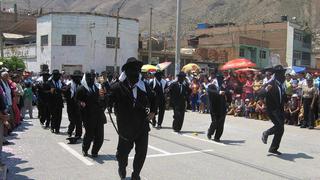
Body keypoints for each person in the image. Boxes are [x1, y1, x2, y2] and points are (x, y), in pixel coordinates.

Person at [108, 57, 156, 180]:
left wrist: (153, 112)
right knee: (122, 154)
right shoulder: (117, 87)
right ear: (126, 72)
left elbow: (154, 99)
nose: (135, 72)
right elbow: (107, 101)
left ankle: (136, 174)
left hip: (142, 126)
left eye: (137, 70)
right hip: (125, 127)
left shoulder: (144, 86)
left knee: (141, 152)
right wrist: (103, 98)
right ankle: (122, 167)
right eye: (132, 70)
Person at [76, 71, 107, 157]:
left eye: (92, 77)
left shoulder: (98, 87)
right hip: (88, 116)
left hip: (99, 116)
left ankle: (95, 151)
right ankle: (85, 149)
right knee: (89, 136)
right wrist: (81, 104)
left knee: (100, 137)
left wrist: (103, 98)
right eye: (89, 77)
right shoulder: (81, 89)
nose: (91, 79)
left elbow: (104, 98)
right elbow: (77, 101)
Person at [261, 65, 287, 155]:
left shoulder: (281, 84)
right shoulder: (271, 84)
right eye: (282, 73)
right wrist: (266, 90)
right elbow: (260, 94)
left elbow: (283, 96)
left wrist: (286, 100)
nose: (284, 75)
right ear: (277, 74)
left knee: (281, 129)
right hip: (272, 109)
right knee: (279, 126)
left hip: (279, 110)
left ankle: (273, 148)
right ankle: (266, 133)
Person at [207, 72, 231, 142]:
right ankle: (210, 132)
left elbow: (229, 93)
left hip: (222, 107)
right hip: (214, 108)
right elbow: (209, 91)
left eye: (222, 79)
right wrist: (218, 92)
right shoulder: (212, 86)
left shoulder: (224, 86)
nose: (221, 80)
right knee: (214, 122)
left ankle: (217, 137)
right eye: (219, 78)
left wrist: (228, 101)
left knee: (221, 123)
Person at [66, 70, 83, 139]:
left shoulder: (82, 86)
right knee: (72, 120)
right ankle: (70, 131)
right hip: (71, 106)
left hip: (79, 106)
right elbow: (66, 95)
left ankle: (78, 134)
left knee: (79, 121)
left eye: (79, 77)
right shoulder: (69, 85)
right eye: (76, 77)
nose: (78, 79)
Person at [48, 69, 65, 134]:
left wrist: (58, 90)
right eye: (56, 75)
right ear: (53, 76)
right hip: (52, 102)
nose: (57, 77)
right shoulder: (49, 82)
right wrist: (57, 90)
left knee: (59, 116)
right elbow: (49, 90)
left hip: (59, 102)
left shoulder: (61, 82)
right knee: (54, 116)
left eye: (58, 75)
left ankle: (57, 128)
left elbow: (64, 87)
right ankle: (53, 127)